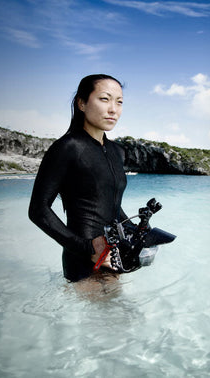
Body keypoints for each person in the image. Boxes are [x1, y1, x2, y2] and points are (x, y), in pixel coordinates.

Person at [28, 74, 133, 282]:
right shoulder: (68, 147)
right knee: (114, 314)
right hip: (83, 257)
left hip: (112, 255)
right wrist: (87, 248)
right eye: (105, 99)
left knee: (119, 313)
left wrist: (134, 230)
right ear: (82, 103)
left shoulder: (117, 152)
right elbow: (38, 209)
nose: (113, 109)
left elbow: (111, 205)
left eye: (119, 102)